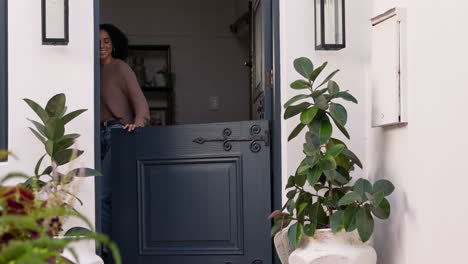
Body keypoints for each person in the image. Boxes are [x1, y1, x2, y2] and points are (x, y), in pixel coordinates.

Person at [99, 24, 150, 240]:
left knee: (102, 195)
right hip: (94, 138)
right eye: (97, 41)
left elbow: (141, 105)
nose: (101, 45)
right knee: (100, 196)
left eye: (107, 41)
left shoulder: (121, 68)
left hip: (117, 134)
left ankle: (104, 252)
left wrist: (138, 124)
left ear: (114, 44)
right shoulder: (89, 71)